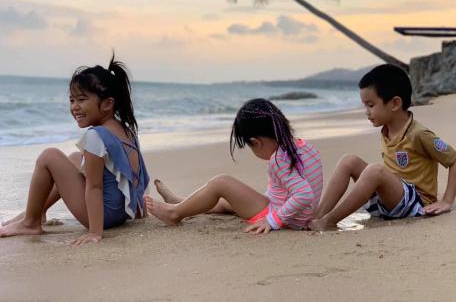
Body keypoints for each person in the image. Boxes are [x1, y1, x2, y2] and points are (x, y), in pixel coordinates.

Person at [0, 54, 149, 245]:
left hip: (102, 217)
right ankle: (39, 212)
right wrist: (138, 211)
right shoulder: (126, 130)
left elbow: (94, 187)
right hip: (121, 212)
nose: (75, 107)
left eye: (81, 100)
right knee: (74, 158)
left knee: (49, 156)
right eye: (72, 100)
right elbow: (137, 175)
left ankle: (30, 222)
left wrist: (95, 232)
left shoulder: (96, 136)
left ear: (107, 104)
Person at [310, 64, 456, 231]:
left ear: (395, 103)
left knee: (375, 170)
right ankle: (316, 216)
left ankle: (330, 221)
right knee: (349, 160)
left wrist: (447, 201)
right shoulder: (386, 130)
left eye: (370, 105)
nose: (366, 112)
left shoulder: (419, 134)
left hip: (415, 204)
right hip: (389, 202)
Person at [145, 98, 323, 234]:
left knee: (221, 183)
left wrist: (272, 220)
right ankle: (180, 202)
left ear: (255, 142)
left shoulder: (278, 159)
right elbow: (307, 191)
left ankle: (174, 213)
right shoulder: (303, 146)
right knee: (225, 202)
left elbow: (304, 194)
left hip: (283, 219)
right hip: (294, 215)